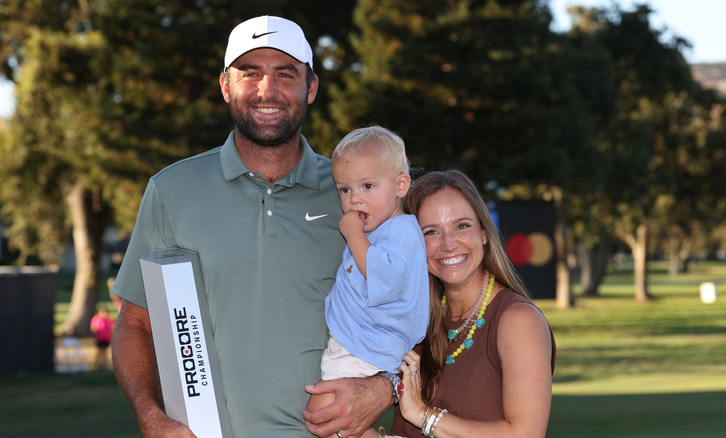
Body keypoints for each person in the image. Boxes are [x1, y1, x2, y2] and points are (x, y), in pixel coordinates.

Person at [111, 16, 394, 438]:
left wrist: (384, 388)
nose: (268, 90)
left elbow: (414, 310)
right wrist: (151, 417)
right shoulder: (172, 190)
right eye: (251, 74)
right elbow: (134, 323)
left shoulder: (357, 194)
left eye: (286, 74)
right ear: (226, 85)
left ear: (310, 88)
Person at [390, 170, 557, 438]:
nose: (448, 244)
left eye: (462, 226)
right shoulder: (418, 321)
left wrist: (423, 415)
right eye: (431, 232)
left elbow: (525, 434)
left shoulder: (518, 320)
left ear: (483, 233)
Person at [306, 126, 430, 437]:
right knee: (328, 420)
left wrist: (353, 234)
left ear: (401, 185)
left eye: (368, 186)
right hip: (362, 342)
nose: (354, 199)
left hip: (366, 345)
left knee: (323, 416)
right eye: (344, 190)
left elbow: (383, 277)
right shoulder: (382, 230)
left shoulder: (400, 231)